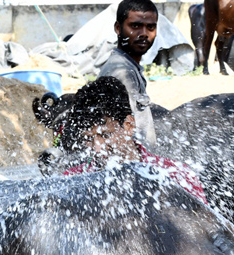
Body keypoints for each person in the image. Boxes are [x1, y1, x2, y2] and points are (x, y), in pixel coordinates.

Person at [57, 77, 207, 203]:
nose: (97, 148)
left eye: (106, 135)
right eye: (88, 138)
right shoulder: (71, 182)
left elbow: (205, 232)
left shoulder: (176, 176)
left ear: (129, 125)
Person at [96, 0, 159, 146]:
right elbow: (130, 133)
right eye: (135, 26)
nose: (144, 33)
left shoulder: (129, 66)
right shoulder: (123, 73)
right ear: (118, 28)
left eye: (150, 27)